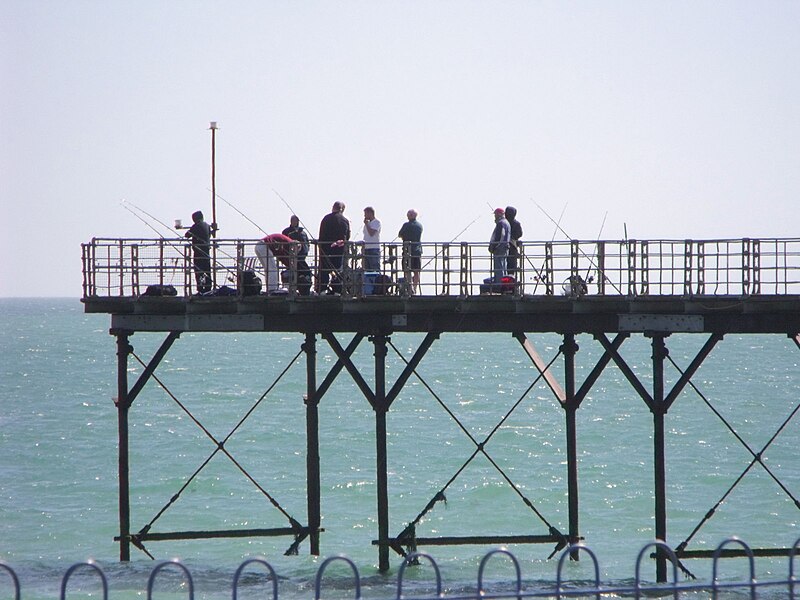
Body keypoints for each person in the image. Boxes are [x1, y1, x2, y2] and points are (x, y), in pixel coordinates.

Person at [317, 201, 350, 294]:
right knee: (338, 269)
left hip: (326, 249)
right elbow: (347, 236)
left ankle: (323, 289)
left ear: (333, 207)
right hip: (339, 250)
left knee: (324, 269)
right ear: (342, 209)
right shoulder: (345, 220)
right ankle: (337, 290)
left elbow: (322, 234)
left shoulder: (326, 218)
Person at [282, 215, 312, 295]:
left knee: (306, 272)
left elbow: (307, 244)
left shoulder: (303, 233)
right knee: (293, 273)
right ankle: (292, 289)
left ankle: (304, 289)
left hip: (302, 258)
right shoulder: (286, 232)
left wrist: (306, 250)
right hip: (291, 258)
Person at [184, 210, 212, 294]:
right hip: (206, 252)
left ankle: (200, 289)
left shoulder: (195, 226)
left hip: (198, 253)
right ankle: (208, 288)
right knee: (207, 271)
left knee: (198, 271)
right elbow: (209, 235)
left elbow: (187, 235)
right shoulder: (207, 226)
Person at [398, 209, 423, 294]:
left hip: (407, 251)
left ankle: (410, 287)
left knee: (407, 270)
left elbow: (400, 234)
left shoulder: (406, 225)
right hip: (417, 251)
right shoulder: (419, 226)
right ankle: (414, 289)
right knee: (416, 271)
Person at [488, 207, 511, 282]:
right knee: (503, 267)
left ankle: (499, 284)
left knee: (499, 268)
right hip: (505, 248)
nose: (495, 216)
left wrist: (494, 246)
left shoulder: (501, 223)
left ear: (499, 215)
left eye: (495, 215)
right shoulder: (507, 223)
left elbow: (500, 236)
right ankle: (504, 284)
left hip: (499, 249)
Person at [505, 206, 523, 278]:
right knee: (512, 266)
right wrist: (515, 238)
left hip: (506, 247)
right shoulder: (516, 223)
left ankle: (505, 280)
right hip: (513, 247)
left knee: (505, 265)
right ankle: (511, 281)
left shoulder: (504, 223)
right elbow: (520, 234)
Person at [362, 206, 381, 272]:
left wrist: (367, 224)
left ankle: (375, 281)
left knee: (374, 267)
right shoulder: (367, 224)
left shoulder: (377, 222)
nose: (364, 215)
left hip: (374, 248)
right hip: (366, 248)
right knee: (367, 268)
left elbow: (371, 233)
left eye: (365, 213)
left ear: (370, 213)